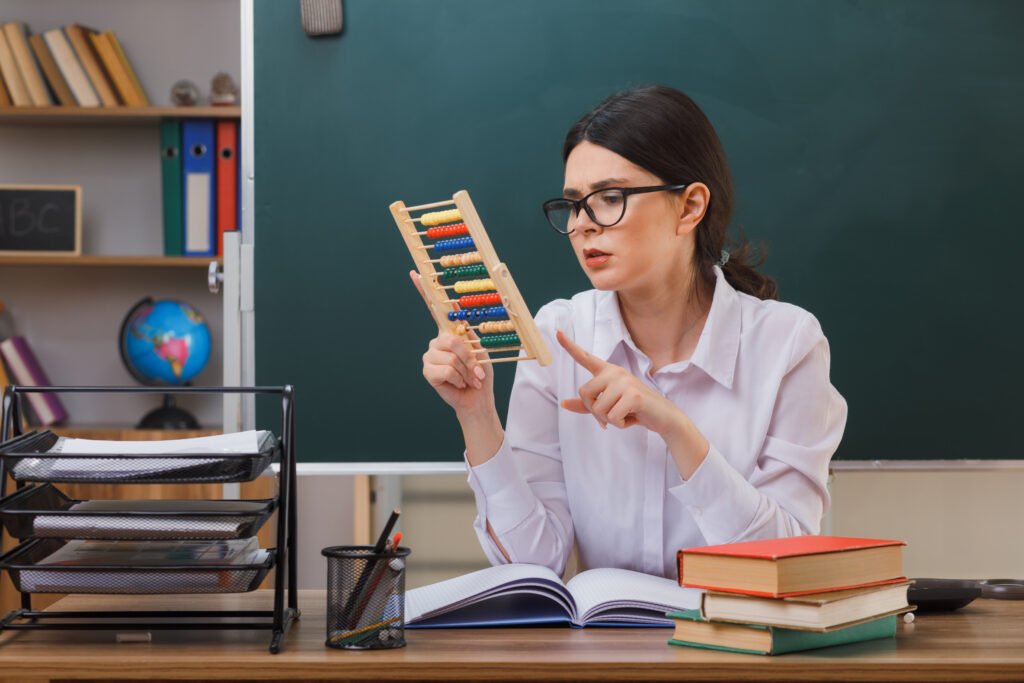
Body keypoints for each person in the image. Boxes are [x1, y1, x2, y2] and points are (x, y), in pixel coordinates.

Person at [411, 85, 847, 579]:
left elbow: (788, 562)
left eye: (611, 198)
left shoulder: (788, 344)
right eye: (575, 204)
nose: (584, 226)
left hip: (737, 650)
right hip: (602, 651)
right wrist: (477, 416)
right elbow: (535, 564)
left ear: (689, 207)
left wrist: (675, 428)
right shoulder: (557, 334)